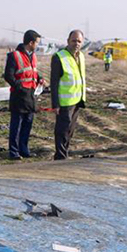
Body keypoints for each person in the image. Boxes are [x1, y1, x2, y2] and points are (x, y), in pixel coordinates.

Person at [3, 30, 44, 160]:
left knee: (28, 124)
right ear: (31, 42)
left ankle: (24, 149)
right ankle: (14, 152)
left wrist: (40, 78)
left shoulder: (33, 56)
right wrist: (19, 87)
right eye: (37, 42)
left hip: (31, 96)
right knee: (17, 125)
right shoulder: (14, 56)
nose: (38, 45)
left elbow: (33, 72)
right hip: (19, 97)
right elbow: (8, 75)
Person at [51, 30, 86, 160]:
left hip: (77, 100)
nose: (76, 43)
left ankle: (64, 153)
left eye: (79, 41)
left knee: (70, 131)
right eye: (74, 40)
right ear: (68, 41)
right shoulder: (59, 57)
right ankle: (60, 157)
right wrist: (55, 104)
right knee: (62, 131)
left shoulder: (81, 56)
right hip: (64, 102)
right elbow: (54, 83)